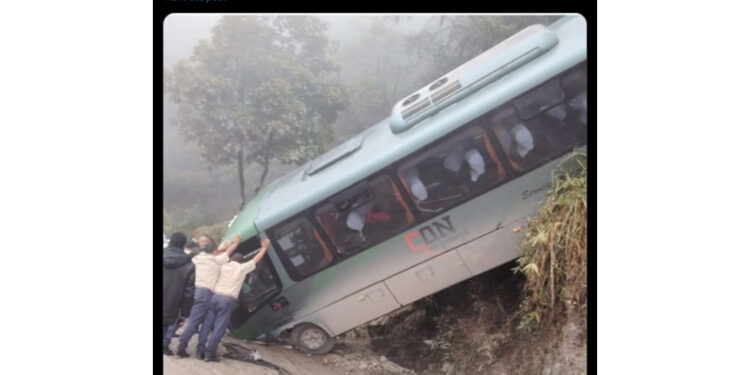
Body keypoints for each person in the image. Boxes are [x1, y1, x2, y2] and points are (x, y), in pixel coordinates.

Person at [202, 239, 271, 362]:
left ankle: (200, 349)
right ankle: (210, 353)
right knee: (219, 328)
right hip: (226, 300)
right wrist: (264, 248)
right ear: (241, 261)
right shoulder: (242, 268)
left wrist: (229, 245)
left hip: (215, 297)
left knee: (207, 324)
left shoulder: (223, 266)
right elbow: (256, 259)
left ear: (232, 259)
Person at [176, 234, 242, 358]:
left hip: (198, 291)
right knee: (195, 321)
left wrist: (223, 248)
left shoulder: (199, 258)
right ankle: (182, 346)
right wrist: (236, 243)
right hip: (206, 293)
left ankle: (198, 349)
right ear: (214, 251)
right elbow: (228, 252)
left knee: (201, 321)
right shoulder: (216, 261)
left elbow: (220, 252)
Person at [163, 240, 200, 351]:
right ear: (184, 246)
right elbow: (189, 292)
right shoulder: (189, 265)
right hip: (172, 304)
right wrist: (185, 313)